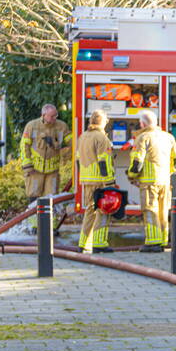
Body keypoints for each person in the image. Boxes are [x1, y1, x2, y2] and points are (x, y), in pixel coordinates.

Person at [128, 110, 176, 252]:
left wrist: (132, 175)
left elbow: (137, 160)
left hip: (149, 182)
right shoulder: (168, 137)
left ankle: (152, 242)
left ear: (142, 123)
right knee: (163, 211)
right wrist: (169, 171)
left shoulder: (143, 137)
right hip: (164, 181)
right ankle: (163, 240)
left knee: (150, 210)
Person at [75, 109, 115, 254]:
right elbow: (103, 161)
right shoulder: (102, 138)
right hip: (100, 180)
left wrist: (83, 177)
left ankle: (84, 243)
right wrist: (109, 182)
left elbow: (78, 160)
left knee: (90, 211)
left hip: (87, 179)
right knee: (103, 211)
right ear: (103, 122)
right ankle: (99, 243)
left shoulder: (83, 136)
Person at [20, 104, 70, 200]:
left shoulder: (61, 126)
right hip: (35, 170)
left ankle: (51, 215)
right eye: (52, 116)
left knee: (51, 198)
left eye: (56, 115)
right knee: (34, 196)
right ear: (43, 115)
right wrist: (27, 165)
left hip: (53, 170)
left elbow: (71, 142)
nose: (55, 118)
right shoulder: (32, 126)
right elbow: (24, 146)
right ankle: (33, 215)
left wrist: (68, 151)